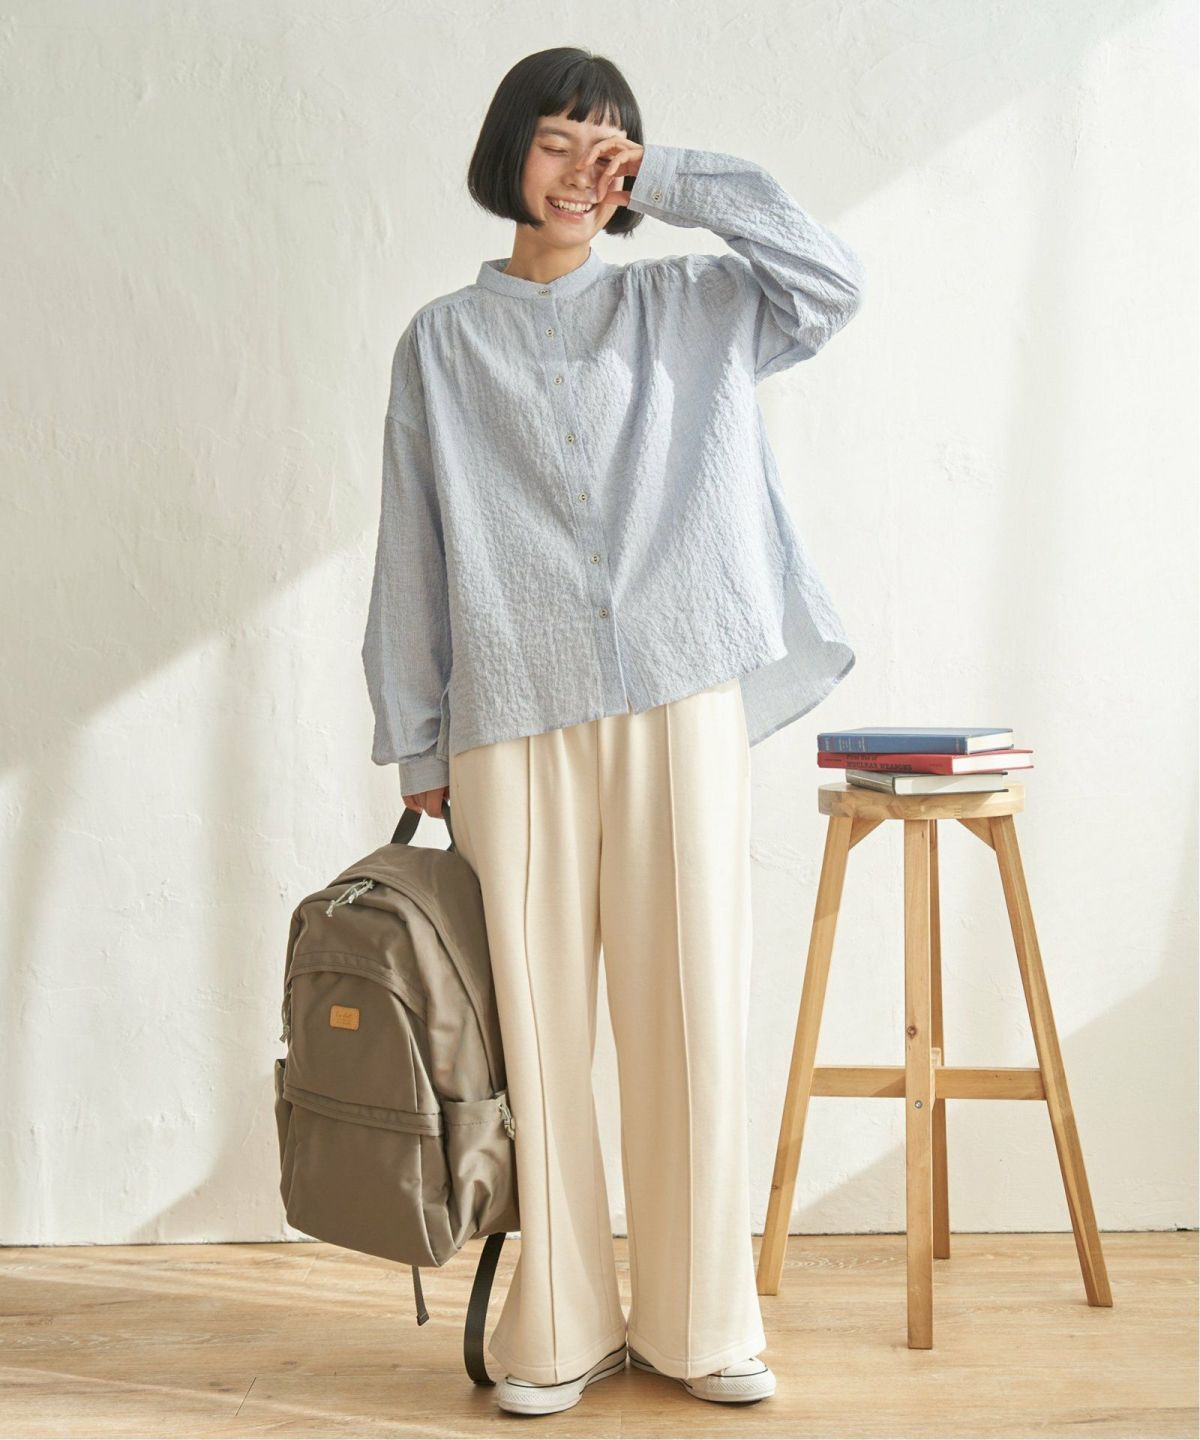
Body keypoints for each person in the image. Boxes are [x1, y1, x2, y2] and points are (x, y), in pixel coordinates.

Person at [361, 45, 865, 1417]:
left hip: (679, 693)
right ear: (506, 155)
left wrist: (674, 178)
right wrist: (419, 743)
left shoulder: (694, 303)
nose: (583, 169)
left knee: (691, 1011)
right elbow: (412, 547)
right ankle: (560, 1324)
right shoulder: (441, 344)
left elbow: (830, 282)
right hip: (509, 715)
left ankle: (703, 1324)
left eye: (609, 146)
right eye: (557, 140)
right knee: (534, 1030)